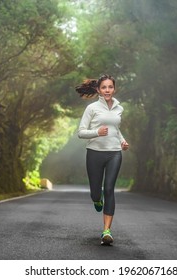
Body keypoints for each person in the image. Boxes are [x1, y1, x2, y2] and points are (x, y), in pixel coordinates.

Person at [76, 74, 129, 245]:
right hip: (94, 152)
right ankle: (96, 199)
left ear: (114, 88)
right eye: (104, 87)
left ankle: (107, 231)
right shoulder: (92, 108)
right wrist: (97, 132)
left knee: (109, 189)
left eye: (110, 87)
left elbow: (116, 129)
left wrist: (122, 141)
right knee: (96, 193)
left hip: (114, 153)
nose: (108, 90)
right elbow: (81, 132)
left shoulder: (119, 108)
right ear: (99, 90)